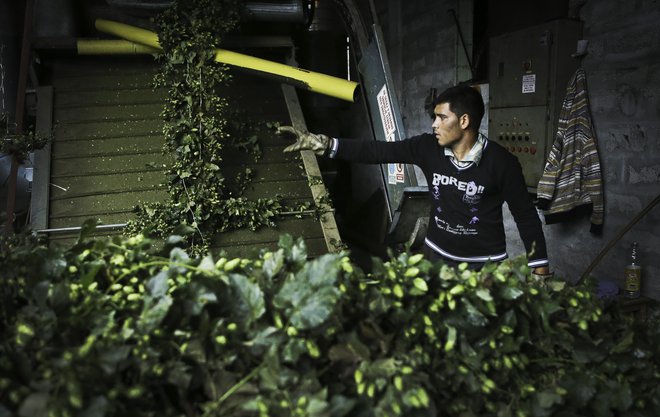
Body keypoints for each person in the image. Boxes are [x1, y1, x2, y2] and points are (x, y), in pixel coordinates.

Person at [278, 84, 551, 277]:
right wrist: (325, 144)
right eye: (435, 117)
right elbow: (379, 151)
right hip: (436, 256)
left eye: (442, 117)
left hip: (483, 265)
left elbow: (525, 216)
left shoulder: (501, 163)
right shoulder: (427, 148)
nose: (434, 124)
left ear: (464, 120)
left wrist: (540, 271)